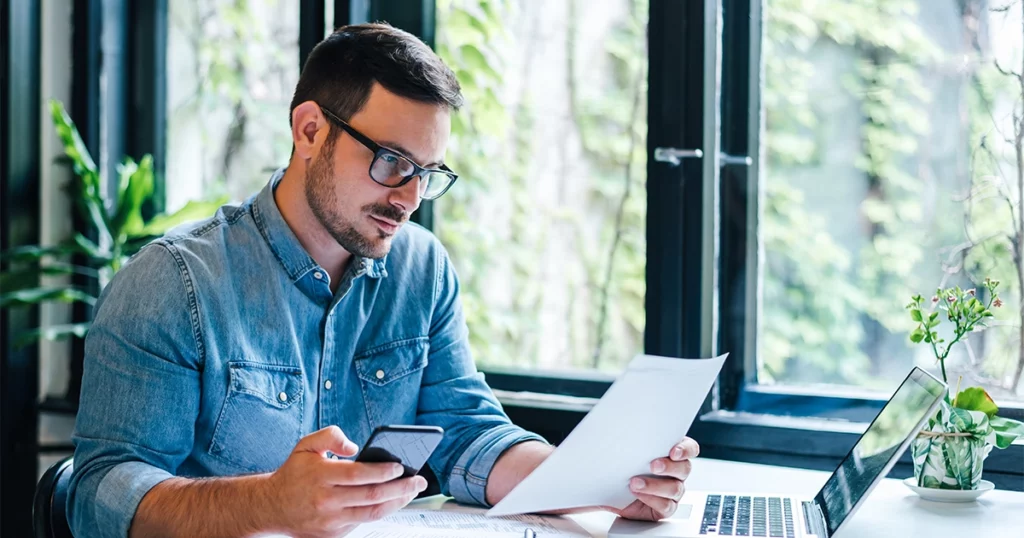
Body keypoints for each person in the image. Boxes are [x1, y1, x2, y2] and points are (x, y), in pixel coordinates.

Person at [67, 23, 699, 538]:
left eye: (428, 172)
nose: (410, 197)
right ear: (309, 130)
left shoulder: (421, 270)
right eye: (392, 161)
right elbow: (99, 497)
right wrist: (267, 504)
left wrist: (599, 485)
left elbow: (467, 432)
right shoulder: (174, 284)